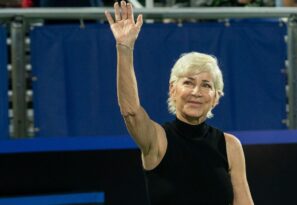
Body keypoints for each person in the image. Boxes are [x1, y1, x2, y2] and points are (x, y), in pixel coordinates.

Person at [104, 1, 254, 204]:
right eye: (188, 82)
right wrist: (124, 47)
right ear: (172, 89)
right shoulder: (157, 139)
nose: (196, 92)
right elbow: (130, 111)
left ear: (216, 98)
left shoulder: (230, 146)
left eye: (206, 85)